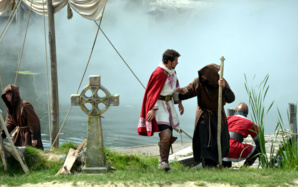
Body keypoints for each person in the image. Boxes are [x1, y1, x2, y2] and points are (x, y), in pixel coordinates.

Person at [176, 63, 235, 168]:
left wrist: (224, 88)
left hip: (217, 115)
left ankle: (218, 163)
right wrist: (180, 94)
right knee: (204, 139)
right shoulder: (198, 82)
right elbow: (189, 91)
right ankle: (206, 163)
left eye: (204, 75)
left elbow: (231, 99)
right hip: (203, 115)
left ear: (211, 76)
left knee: (219, 140)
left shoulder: (221, 82)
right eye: (201, 75)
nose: (202, 77)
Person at [137, 49, 184, 171]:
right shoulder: (159, 73)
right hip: (159, 106)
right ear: (169, 61)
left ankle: (164, 161)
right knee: (166, 134)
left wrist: (179, 102)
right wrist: (152, 109)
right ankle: (163, 163)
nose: (177, 63)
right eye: (176, 60)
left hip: (169, 106)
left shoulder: (172, 72)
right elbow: (151, 93)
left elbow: (175, 88)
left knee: (168, 134)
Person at [1, 84, 44, 150]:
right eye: (5, 94)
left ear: (14, 94)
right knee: (18, 154)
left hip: (28, 135)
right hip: (18, 135)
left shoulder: (25, 105)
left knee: (30, 154)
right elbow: (10, 123)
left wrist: (34, 138)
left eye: (8, 94)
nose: (6, 96)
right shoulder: (10, 109)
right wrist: (3, 134)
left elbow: (34, 122)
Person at [222, 102, 260, 168]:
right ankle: (245, 167)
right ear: (246, 113)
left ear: (235, 111)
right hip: (236, 149)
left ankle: (224, 164)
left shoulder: (226, 118)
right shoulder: (250, 123)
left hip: (222, 149)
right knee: (258, 149)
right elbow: (259, 142)